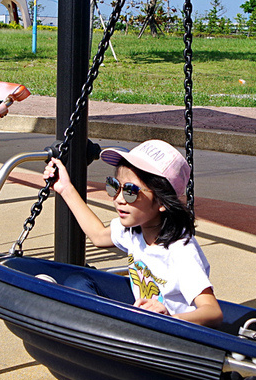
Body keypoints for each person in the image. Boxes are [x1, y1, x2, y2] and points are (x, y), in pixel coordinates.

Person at [44, 139, 223, 327]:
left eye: (131, 191)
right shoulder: (134, 229)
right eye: (115, 186)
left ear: (162, 202)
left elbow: (212, 311)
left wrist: (168, 317)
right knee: (79, 281)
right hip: (144, 318)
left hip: (170, 335)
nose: (119, 199)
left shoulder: (180, 251)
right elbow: (98, 235)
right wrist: (65, 188)